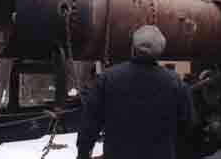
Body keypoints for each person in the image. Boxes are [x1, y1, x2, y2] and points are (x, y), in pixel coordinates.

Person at [76, 25, 196, 159]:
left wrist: (83, 153)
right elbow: (187, 125)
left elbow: (90, 123)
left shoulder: (108, 78)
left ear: (133, 48)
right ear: (160, 52)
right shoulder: (176, 83)